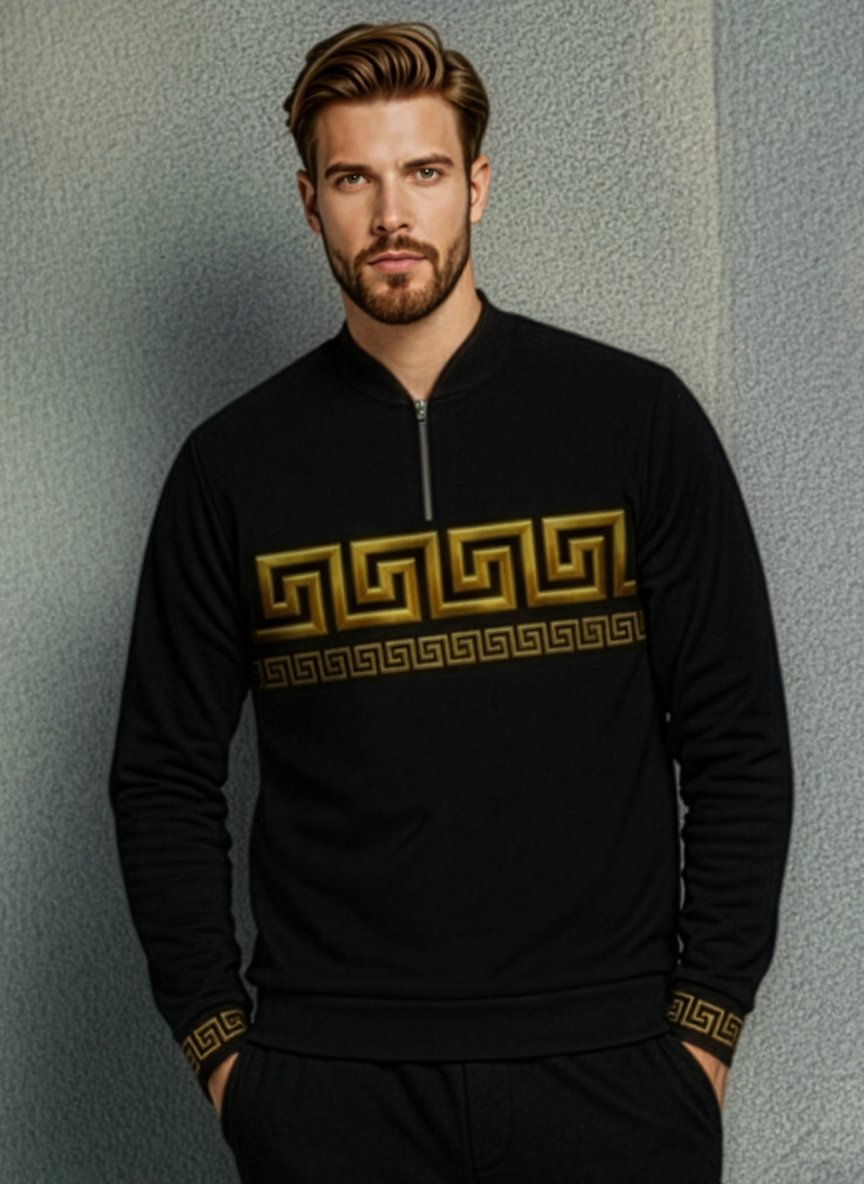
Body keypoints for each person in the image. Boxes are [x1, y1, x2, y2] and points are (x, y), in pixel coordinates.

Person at [110, 21, 792, 1184]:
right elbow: (161, 773)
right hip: (333, 1088)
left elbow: (739, 740)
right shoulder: (232, 468)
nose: (392, 214)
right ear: (310, 201)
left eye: (423, 170)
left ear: (476, 182)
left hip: (614, 1074)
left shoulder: (635, 423)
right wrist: (228, 1056)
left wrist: (704, 1031)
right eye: (353, 179)